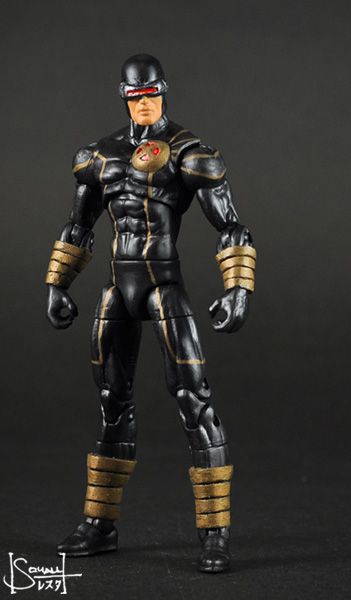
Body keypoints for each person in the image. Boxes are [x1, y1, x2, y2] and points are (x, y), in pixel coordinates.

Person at [45, 54, 256, 573]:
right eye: (136, 96)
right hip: (118, 288)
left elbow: (231, 226)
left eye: (151, 94)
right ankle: (100, 524)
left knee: (194, 400)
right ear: (124, 96)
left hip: (163, 285)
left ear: (164, 91)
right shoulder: (101, 156)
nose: (144, 103)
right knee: (112, 403)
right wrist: (57, 283)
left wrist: (237, 288)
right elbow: (79, 225)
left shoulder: (189, 153)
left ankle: (215, 533)